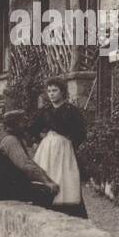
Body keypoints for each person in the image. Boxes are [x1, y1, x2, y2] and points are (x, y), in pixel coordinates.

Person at [28, 76, 89, 218]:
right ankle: (46, 206)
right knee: (46, 174)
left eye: (55, 90)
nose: (51, 94)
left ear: (62, 92)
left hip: (64, 150)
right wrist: (39, 139)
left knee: (64, 177)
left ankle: (65, 208)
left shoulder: (71, 111)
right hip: (47, 150)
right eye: (49, 91)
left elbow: (81, 132)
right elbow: (33, 129)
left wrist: (69, 142)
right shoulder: (44, 111)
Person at [0, 110, 59, 207]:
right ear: (15, 123)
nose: (25, 126)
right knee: (46, 192)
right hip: (8, 190)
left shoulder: (9, 137)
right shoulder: (10, 140)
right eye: (23, 122)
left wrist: (46, 179)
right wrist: (47, 182)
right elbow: (25, 164)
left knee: (43, 189)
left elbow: (29, 163)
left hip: (10, 186)